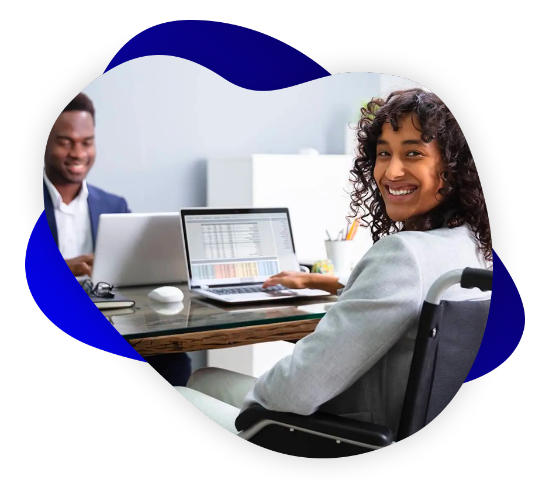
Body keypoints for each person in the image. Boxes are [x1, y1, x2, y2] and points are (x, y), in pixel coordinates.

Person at [174, 88, 493, 436]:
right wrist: (324, 283)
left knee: (183, 389)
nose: (391, 171)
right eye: (383, 153)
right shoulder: (474, 247)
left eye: (413, 153)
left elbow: (296, 392)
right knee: (205, 377)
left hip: (344, 435)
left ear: (453, 167)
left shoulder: (403, 255)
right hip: (404, 421)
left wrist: (256, 406)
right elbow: (405, 296)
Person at [43, 92, 192, 386]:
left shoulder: (114, 205)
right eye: (65, 142)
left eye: (87, 142)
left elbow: (134, 273)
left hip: (109, 323)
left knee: (175, 360)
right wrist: (62, 268)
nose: (78, 153)